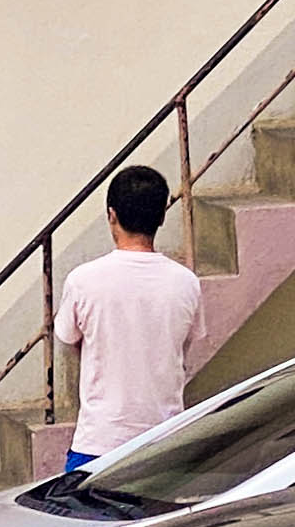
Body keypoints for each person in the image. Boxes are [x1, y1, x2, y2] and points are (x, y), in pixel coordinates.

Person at [55, 165, 207, 470]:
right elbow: (187, 348)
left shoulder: (83, 280)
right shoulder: (186, 282)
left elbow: (69, 341)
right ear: (162, 216)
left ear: (111, 215)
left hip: (99, 440)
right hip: (165, 439)